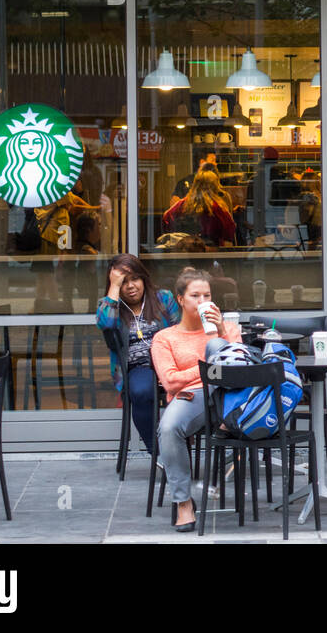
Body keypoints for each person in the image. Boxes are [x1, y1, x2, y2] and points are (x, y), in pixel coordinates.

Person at [151, 267, 242, 531]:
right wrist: (206, 370)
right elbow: (169, 380)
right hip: (194, 397)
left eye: (207, 295)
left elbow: (239, 367)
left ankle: (232, 428)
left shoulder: (228, 330)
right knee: (168, 428)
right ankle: (183, 502)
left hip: (230, 394)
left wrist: (220, 331)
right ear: (180, 299)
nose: (203, 302)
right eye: (195, 296)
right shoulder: (165, 338)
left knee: (218, 349)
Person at [94, 254, 180, 453]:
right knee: (141, 392)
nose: (130, 286)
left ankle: (180, 447)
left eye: (135, 279)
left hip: (170, 363)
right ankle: (158, 451)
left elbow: (179, 329)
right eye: (123, 282)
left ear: (144, 278)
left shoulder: (163, 298)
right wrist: (113, 288)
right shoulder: (110, 306)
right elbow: (106, 324)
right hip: (138, 368)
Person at [163, 169, 236, 247]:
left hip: (187, 251)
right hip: (210, 251)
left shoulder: (182, 203)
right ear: (215, 186)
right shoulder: (218, 207)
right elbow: (229, 230)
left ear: (195, 184)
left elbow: (166, 217)